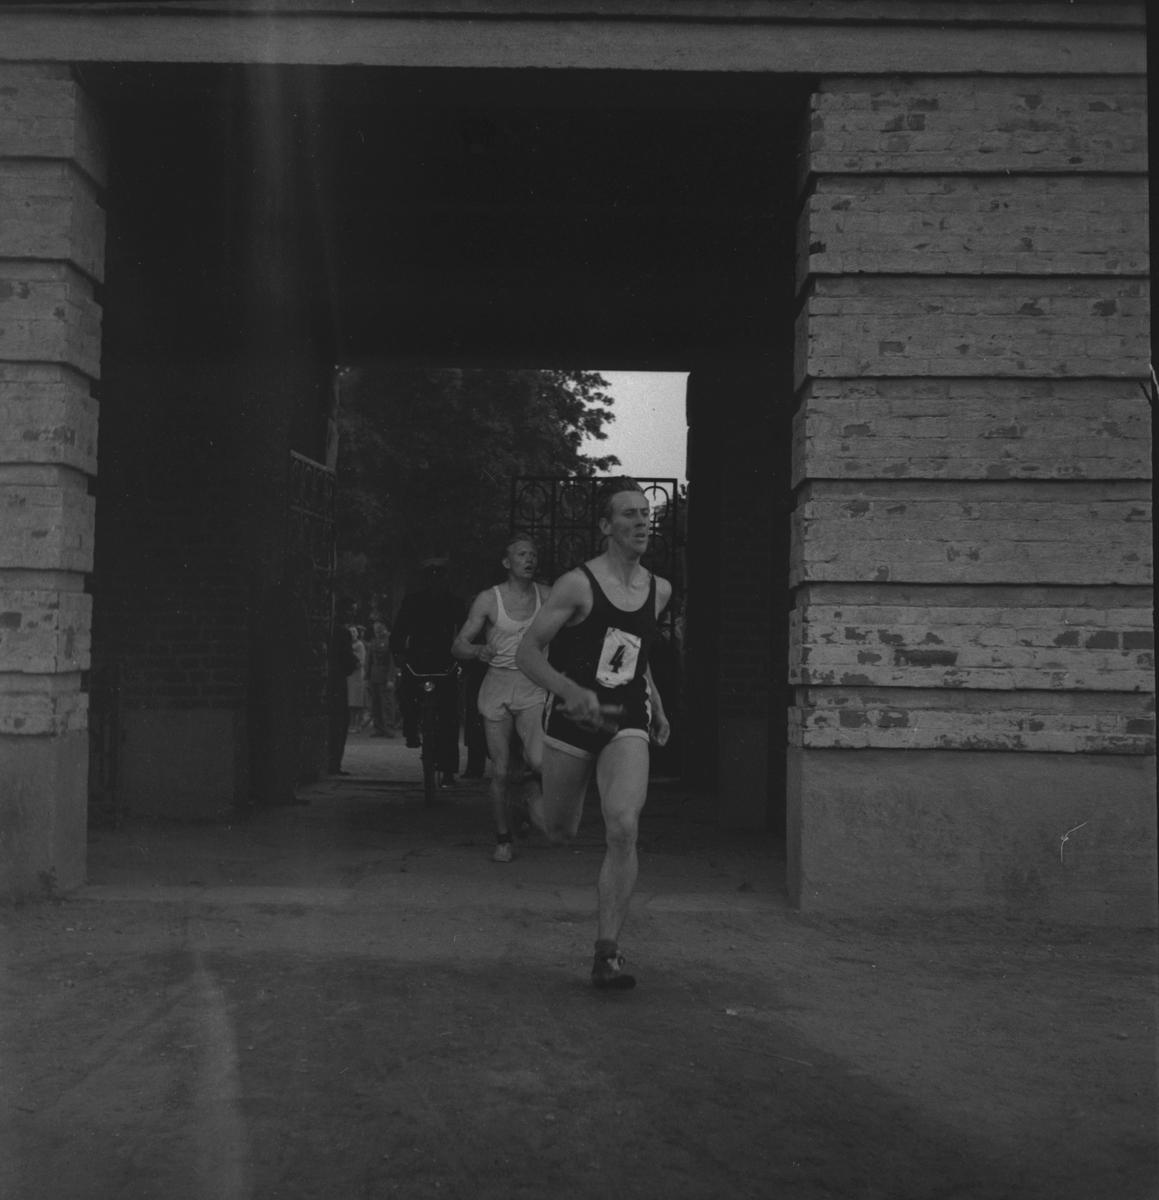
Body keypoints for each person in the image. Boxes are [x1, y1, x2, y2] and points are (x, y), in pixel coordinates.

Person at [516, 478, 671, 990]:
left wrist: (657, 705)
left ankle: (608, 953)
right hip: (571, 716)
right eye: (629, 513)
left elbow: (636, 652)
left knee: (623, 824)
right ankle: (531, 796)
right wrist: (568, 690)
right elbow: (527, 652)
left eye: (645, 512)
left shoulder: (659, 589)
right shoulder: (577, 585)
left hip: (626, 717)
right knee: (560, 831)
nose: (642, 521)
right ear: (606, 526)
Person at [452, 536, 551, 862]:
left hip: (531, 686)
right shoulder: (488, 599)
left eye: (533, 554)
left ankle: (525, 795)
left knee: (539, 761)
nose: (529, 559)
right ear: (507, 563)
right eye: (522, 554)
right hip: (497, 687)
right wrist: (477, 650)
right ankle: (504, 838)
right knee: (501, 771)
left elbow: (580, 617)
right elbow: (458, 645)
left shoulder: (547, 595)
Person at [390, 558, 466, 784]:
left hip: (445, 661)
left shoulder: (455, 603)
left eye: (439, 578)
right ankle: (411, 730)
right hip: (417, 659)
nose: (435, 582)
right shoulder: (412, 601)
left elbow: (465, 632)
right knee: (407, 695)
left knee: (449, 716)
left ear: (445, 579)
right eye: (431, 578)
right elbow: (399, 630)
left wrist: (464, 656)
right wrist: (398, 653)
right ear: (425, 581)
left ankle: (448, 770)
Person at [327, 600, 360, 775]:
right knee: (339, 721)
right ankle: (334, 764)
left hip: (326, 677)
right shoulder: (342, 631)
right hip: (337, 680)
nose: (352, 614)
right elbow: (348, 658)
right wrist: (352, 663)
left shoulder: (329, 627)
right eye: (351, 610)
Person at [366, 621, 394, 737]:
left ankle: (389, 729)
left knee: (387, 704)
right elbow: (369, 661)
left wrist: (391, 679)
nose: (376, 630)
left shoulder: (390, 641)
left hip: (385, 675)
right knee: (375, 704)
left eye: (379, 626)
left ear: (384, 627)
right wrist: (367, 678)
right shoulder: (374, 642)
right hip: (374, 676)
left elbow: (392, 662)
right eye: (375, 628)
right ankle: (379, 728)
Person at [347, 625, 368, 731]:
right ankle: (351, 723)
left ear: (357, 633)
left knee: (357, 700)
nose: (353, 634)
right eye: (350, 632)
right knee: (351, 700)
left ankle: (358, 723)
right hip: (350, 675)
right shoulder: (348, 644)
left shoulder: (359, 645)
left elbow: (362, 661)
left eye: (354, 632)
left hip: (357, 674)